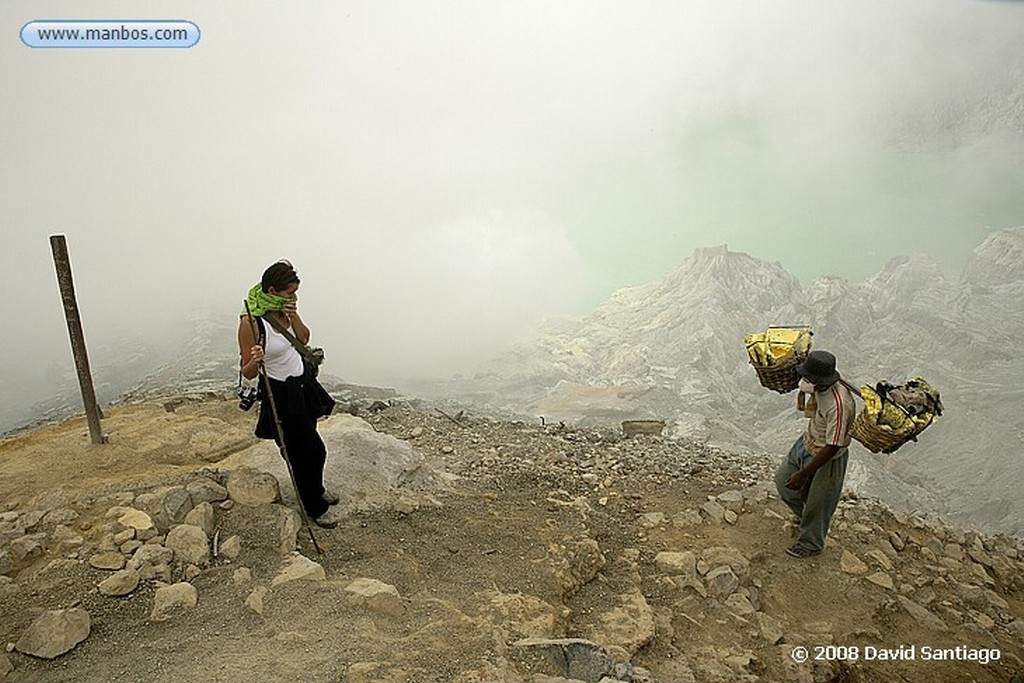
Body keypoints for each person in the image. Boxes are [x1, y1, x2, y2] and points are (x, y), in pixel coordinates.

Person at [238, 260, 340, 528]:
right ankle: (315, 506)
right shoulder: (252, 323)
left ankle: (315, 490)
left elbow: (303, 339)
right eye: (288, 293)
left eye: (295, 293)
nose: (293, 297)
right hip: (282, 396)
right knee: (310, 451)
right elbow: (247, 372)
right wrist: (255, 360)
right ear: (272, 290)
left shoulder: (285, 312)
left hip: (303, 387)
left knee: (307, 447)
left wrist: (294, 315)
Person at [774, 350, 856, 558]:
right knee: (783, 480)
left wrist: (806, 474)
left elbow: (833, 446)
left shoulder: (839, 405)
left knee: (819, 502)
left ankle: (811, 544)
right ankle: (807, 519)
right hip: (807, 441)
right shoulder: (817, 382)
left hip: (826, 457)